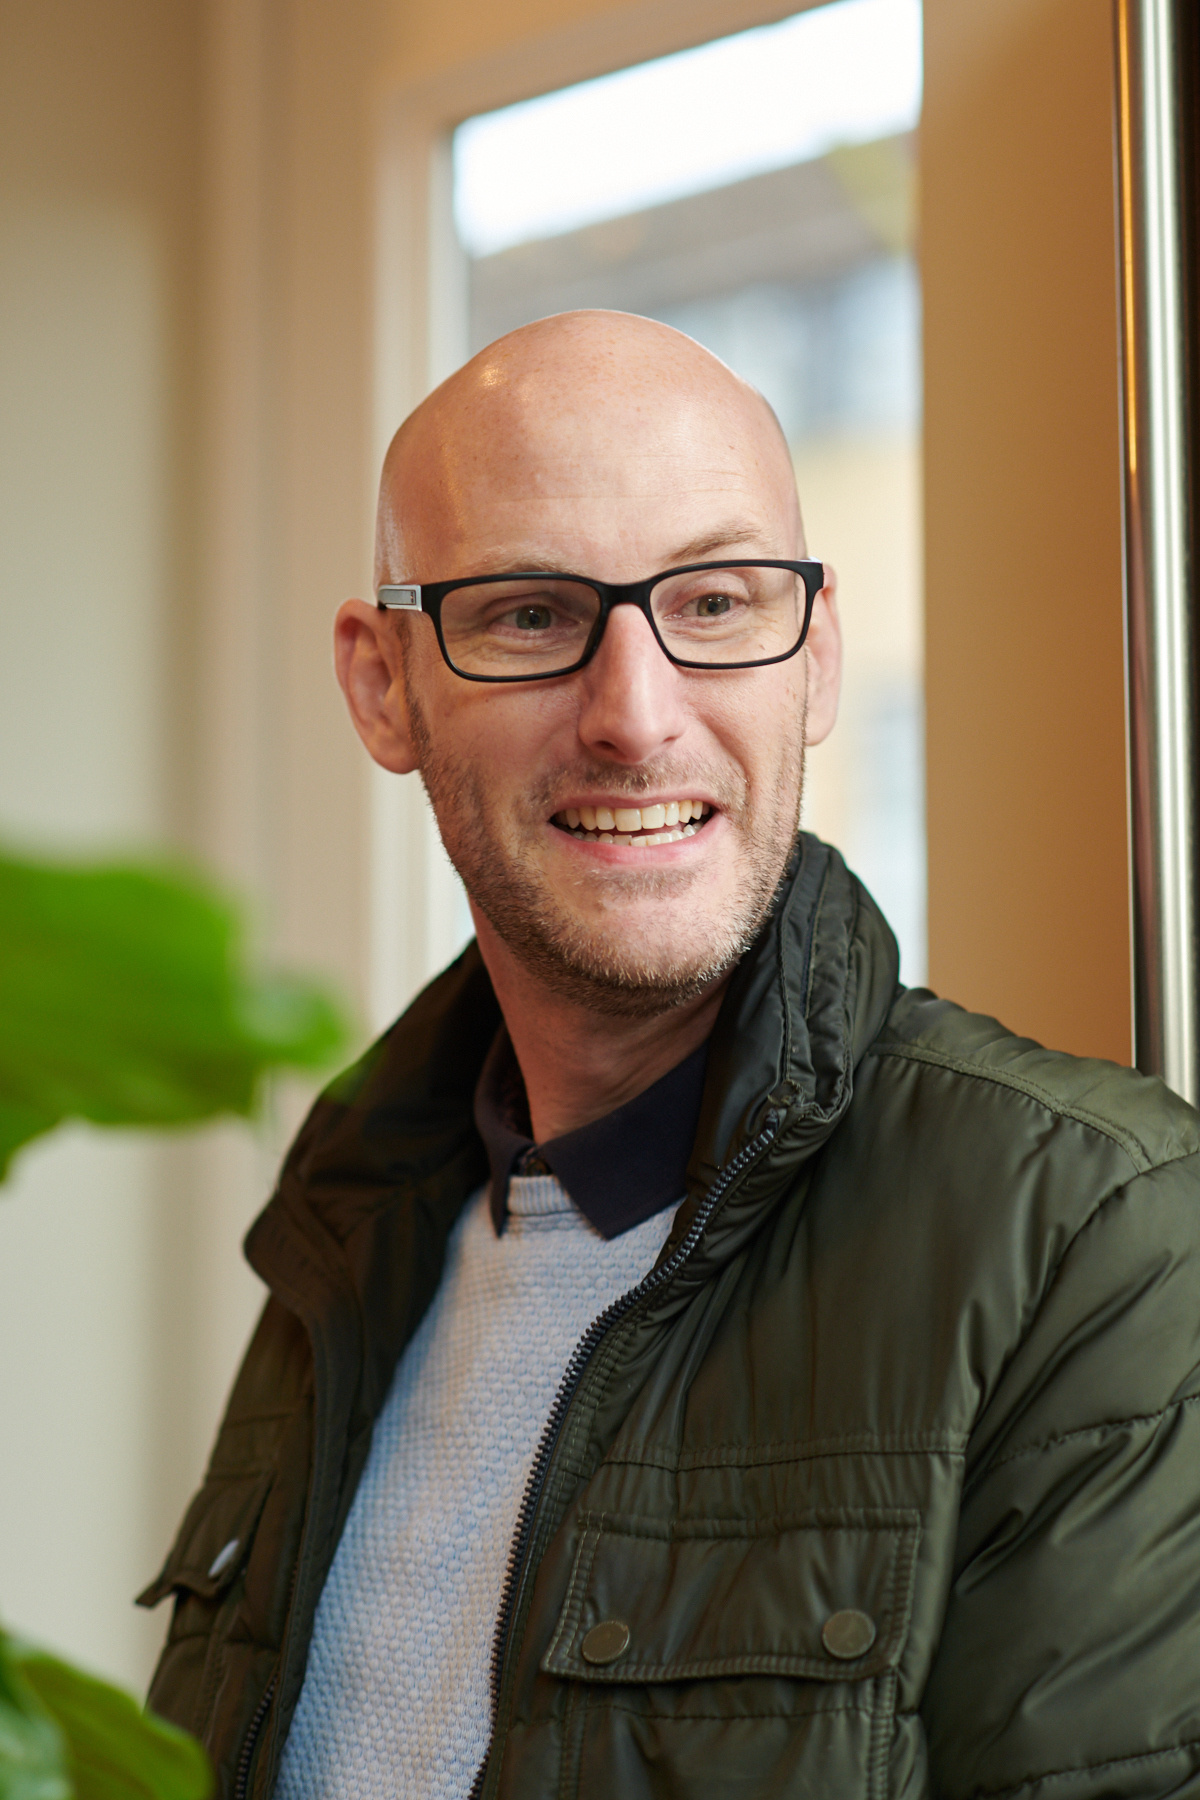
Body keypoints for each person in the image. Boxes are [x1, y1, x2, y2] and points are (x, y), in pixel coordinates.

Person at [140, 311, 1200, 1800]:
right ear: (384, 686)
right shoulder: (349, 1213)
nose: (636, 719)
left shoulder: (1091, 1233)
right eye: (529, 615)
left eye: (713, 602)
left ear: (814, 661)